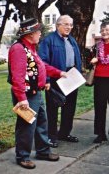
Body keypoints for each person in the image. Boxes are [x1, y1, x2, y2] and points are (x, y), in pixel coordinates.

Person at [8, 18, 67, 169]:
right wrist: (21, 99)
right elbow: (18, 77)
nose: (40, 34)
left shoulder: (31, 48)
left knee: (42, 122)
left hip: (35, 93)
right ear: (30, 33)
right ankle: (23, 156)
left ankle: (42, 151)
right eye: (38, 31)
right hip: (26, 96)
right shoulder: (19, 49)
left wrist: (58, 73)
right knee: (26, 125)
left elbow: (42, 67)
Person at [38, 15, 82, 148]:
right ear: (58, 25)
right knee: (52, 109)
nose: (69, 27)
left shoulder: (72, 40)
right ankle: (51, 137)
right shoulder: (48, 40)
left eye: (71, 25)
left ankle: (64, 133)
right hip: (55, 79)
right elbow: (42, 62)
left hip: (71, 77)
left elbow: (77, 58)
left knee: (69, 107)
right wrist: (46, 80)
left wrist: (78, 75)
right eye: (66, 24)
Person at [89, 21, 109, 143]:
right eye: (102, 30)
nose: (104, 32)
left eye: (106, 29)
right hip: (100, 78)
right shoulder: (97, 46)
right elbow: (88, 60)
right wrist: (92, 61)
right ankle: (100, 134)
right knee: (100, 106)